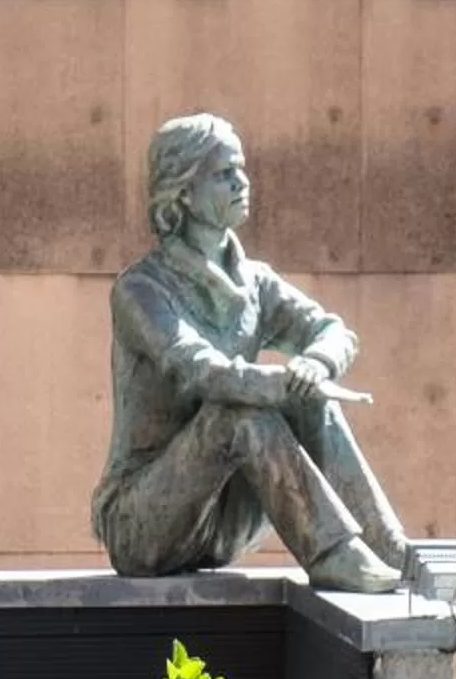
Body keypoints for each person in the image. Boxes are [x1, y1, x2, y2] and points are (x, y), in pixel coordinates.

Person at [92, 113, 410, 592]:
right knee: (237, 413)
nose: (242, 182)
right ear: (182, 192)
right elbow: (196, 368)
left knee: (310, 398)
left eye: (240, 169)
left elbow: (331, 330)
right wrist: (282, 382)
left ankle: (389, 547)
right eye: (224, 173)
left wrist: (316, 364)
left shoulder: (255, 281)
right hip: (144, 523)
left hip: (222, 526)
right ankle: (332, 553)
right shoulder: (141, 290)